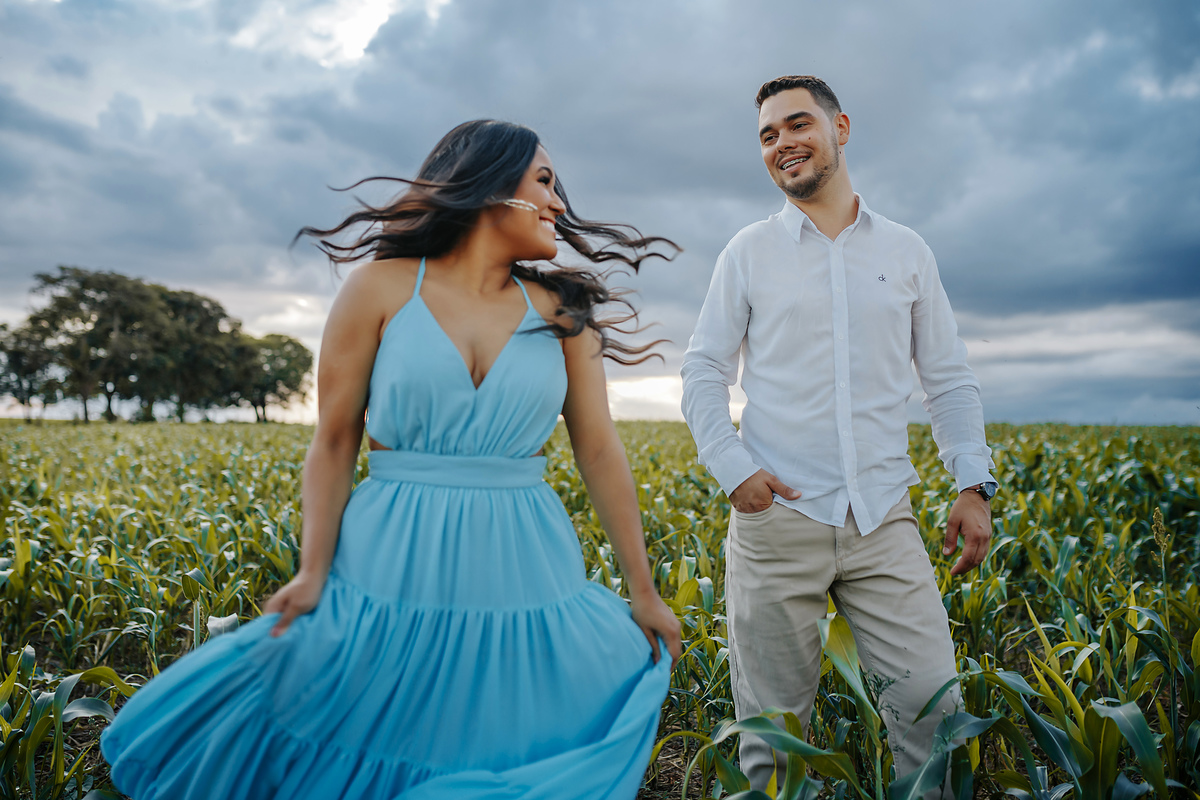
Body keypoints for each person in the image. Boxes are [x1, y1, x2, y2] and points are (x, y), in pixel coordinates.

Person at [101, 119, 683, 799]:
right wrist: (314, 570)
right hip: (390, 547)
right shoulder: (379, 288)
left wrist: (644, 593)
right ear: (491, 186)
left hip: (523, 557)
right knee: (355, 710)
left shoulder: (562, 311)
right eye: (546, 182)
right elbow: (334, 440)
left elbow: (600, 451)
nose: (560, 205)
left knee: (501, 724)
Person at [680, 76, 998, 794]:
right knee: (772, 745)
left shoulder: (909, 251)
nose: (783, 143)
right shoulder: (748, 252)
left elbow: (947, 378)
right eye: (768, 134)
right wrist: (733, 467)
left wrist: (973, 486)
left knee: (935, 714)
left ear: (840, 128)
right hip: (777, 522)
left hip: (885, 516)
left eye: (798, 124)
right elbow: (702, 370)